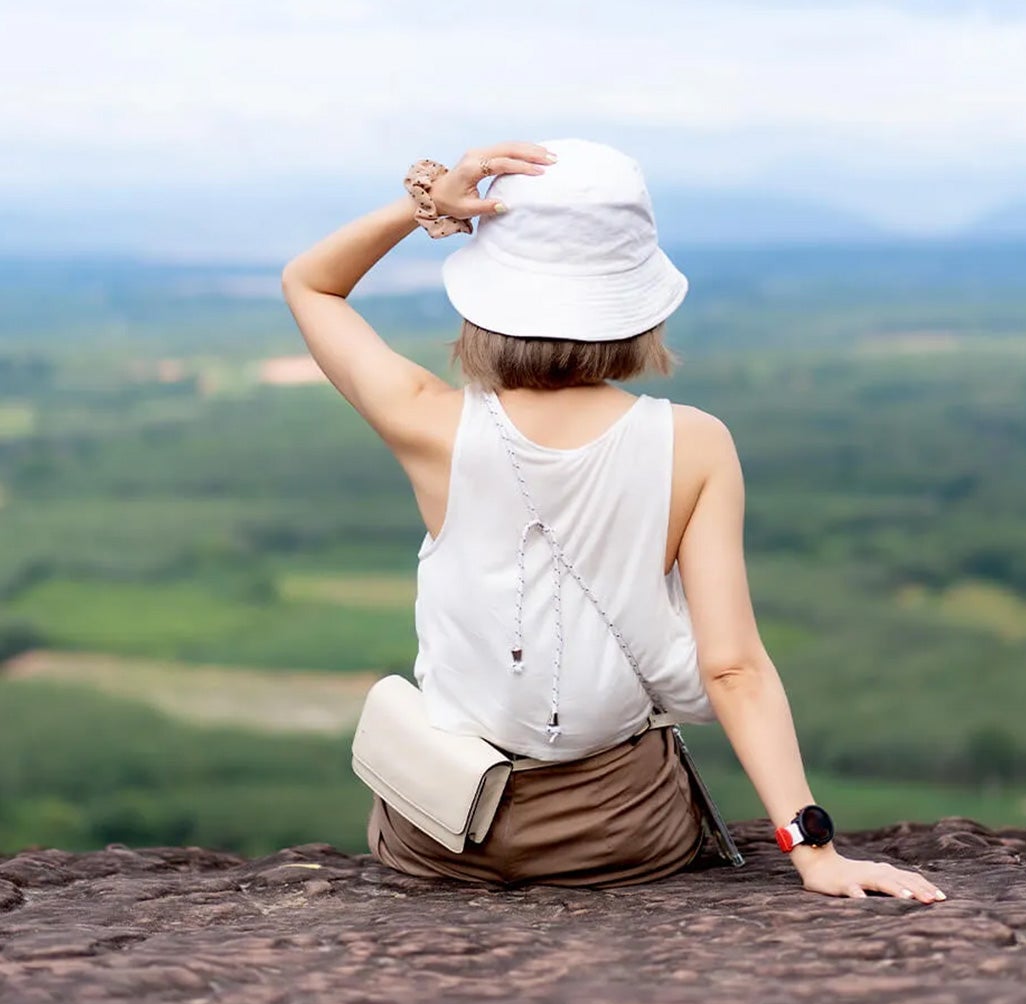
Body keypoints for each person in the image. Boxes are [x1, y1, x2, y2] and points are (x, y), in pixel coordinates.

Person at [281, 138, 946, 902]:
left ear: (485, 302)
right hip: (623, 836)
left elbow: (310, 285)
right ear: (638, 309)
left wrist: (429, 204)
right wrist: (814, 852)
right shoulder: (695, 444)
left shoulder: (431, 423)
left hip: (441, 839)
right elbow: (733, 670)